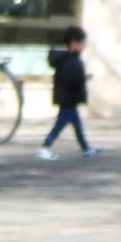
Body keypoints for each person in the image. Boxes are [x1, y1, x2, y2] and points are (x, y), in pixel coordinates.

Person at [39, 26, 96, 161]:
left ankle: (86, 148)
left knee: (77, 124)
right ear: (74, 43)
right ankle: (45, 147)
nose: (83, 46)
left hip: (67, 97)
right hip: (68, 97)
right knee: (60, 124)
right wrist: (83, 78)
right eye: (82, 43)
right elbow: (70, 79)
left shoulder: (67, 58)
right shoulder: (70, 60)